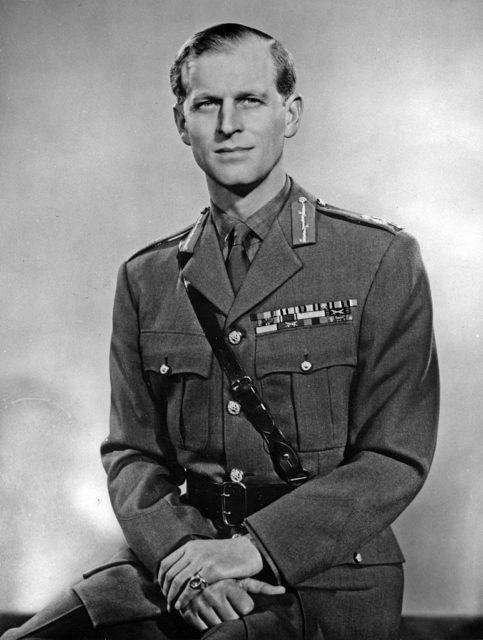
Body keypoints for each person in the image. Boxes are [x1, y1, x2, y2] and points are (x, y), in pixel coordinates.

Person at [2, 22, 439, 640]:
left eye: (250, 100)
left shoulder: (377, 260)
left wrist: (252, 549)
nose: (227, 124)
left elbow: (395, 458)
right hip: (183, 561)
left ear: (290, 113)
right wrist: (189, 559)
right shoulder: (146, 278)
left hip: (323, 575)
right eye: (207, 104)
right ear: (182, 123)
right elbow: (132, 454)